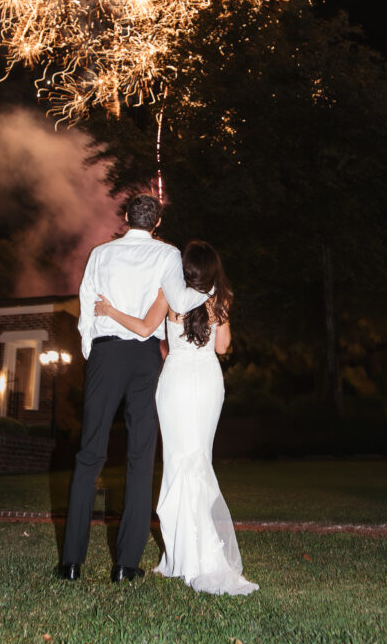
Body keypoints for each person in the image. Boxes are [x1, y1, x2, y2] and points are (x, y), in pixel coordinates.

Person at [94, 240, 258, 596]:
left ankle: (182, 553)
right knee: (199, 460)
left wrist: (109, 311)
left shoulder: (168, 294)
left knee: (178, 462)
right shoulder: (218, 300)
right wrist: (221, 313)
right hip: (208, 382)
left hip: (177, 382)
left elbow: (142, 328)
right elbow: (223, 347)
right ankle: (196, 552)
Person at [58, 193, 207, 584]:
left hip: (107, 355)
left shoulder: (101, 254)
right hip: (144, 360)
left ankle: (71, 562)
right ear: (156, 223)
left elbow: (86, 305)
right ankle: (125, 565)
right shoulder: (167, 254)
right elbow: (177, 299)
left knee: (89, 453)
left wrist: (94, 353)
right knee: (141, 457)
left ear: (126, 217)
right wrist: (211, 290)